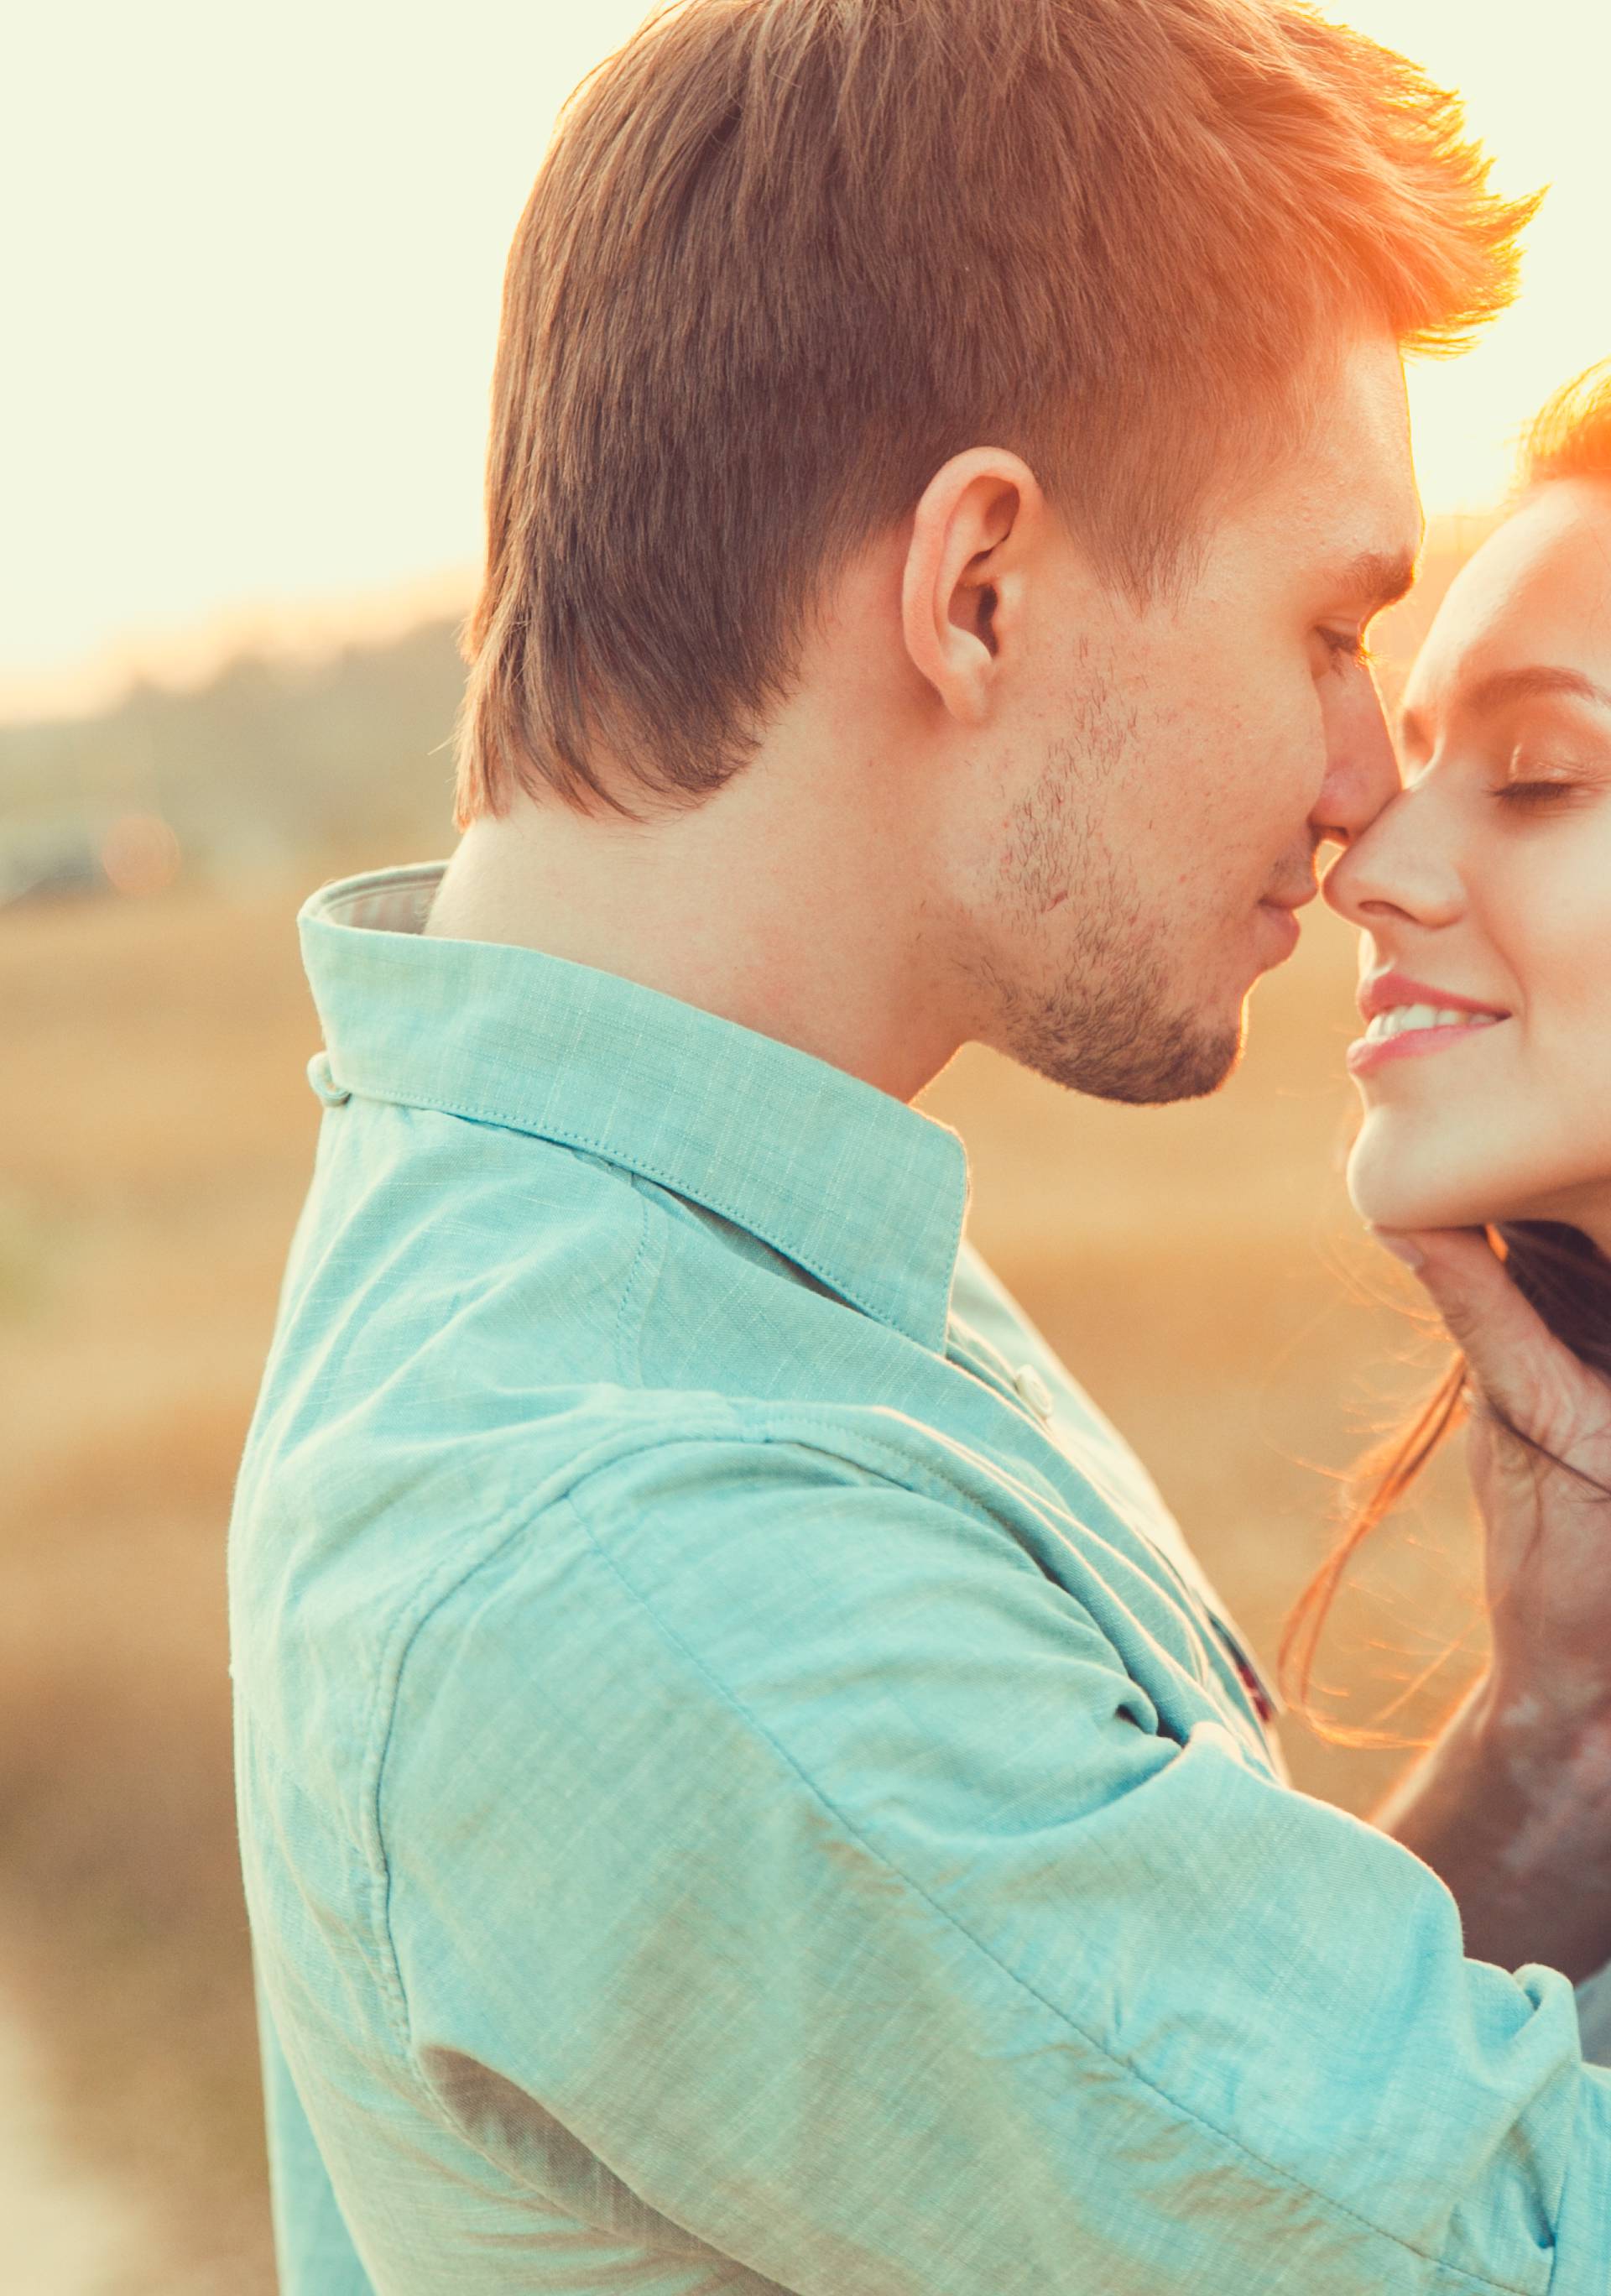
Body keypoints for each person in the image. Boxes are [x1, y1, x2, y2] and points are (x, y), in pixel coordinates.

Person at [227, 4, 1611, 2290]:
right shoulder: (647, 1532)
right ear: (982, 587)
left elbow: (1165, 2143)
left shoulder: (695, 1260)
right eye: (1332, 628)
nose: (1367, 789)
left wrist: (1558, 1732)